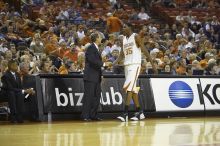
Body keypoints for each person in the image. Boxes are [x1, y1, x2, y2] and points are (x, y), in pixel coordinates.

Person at [113, 25, 157, 122]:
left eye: (124, 28)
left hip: (135, 65)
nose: (122, 29)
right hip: (127, 66)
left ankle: (125, 114)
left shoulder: (135, 36)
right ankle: (140, 112)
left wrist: (153, 65)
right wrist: (113, 63)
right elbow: (121, 55)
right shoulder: (124, 39)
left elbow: (145, 50)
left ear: (129, 28)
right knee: (132, 89)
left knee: (128, 88)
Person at [81, 32, 105, 121]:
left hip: (96, 76)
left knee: (96, 96)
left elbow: (97, 63)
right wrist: (104, 64)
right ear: (96, 38)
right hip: (90, 76)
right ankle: (85, 116)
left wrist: (101, 74)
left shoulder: (96, 48)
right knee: (89, 96)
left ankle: (93, 115)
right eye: (100, 37)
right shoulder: (91, 47)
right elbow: (92, 60)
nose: (101, 38)